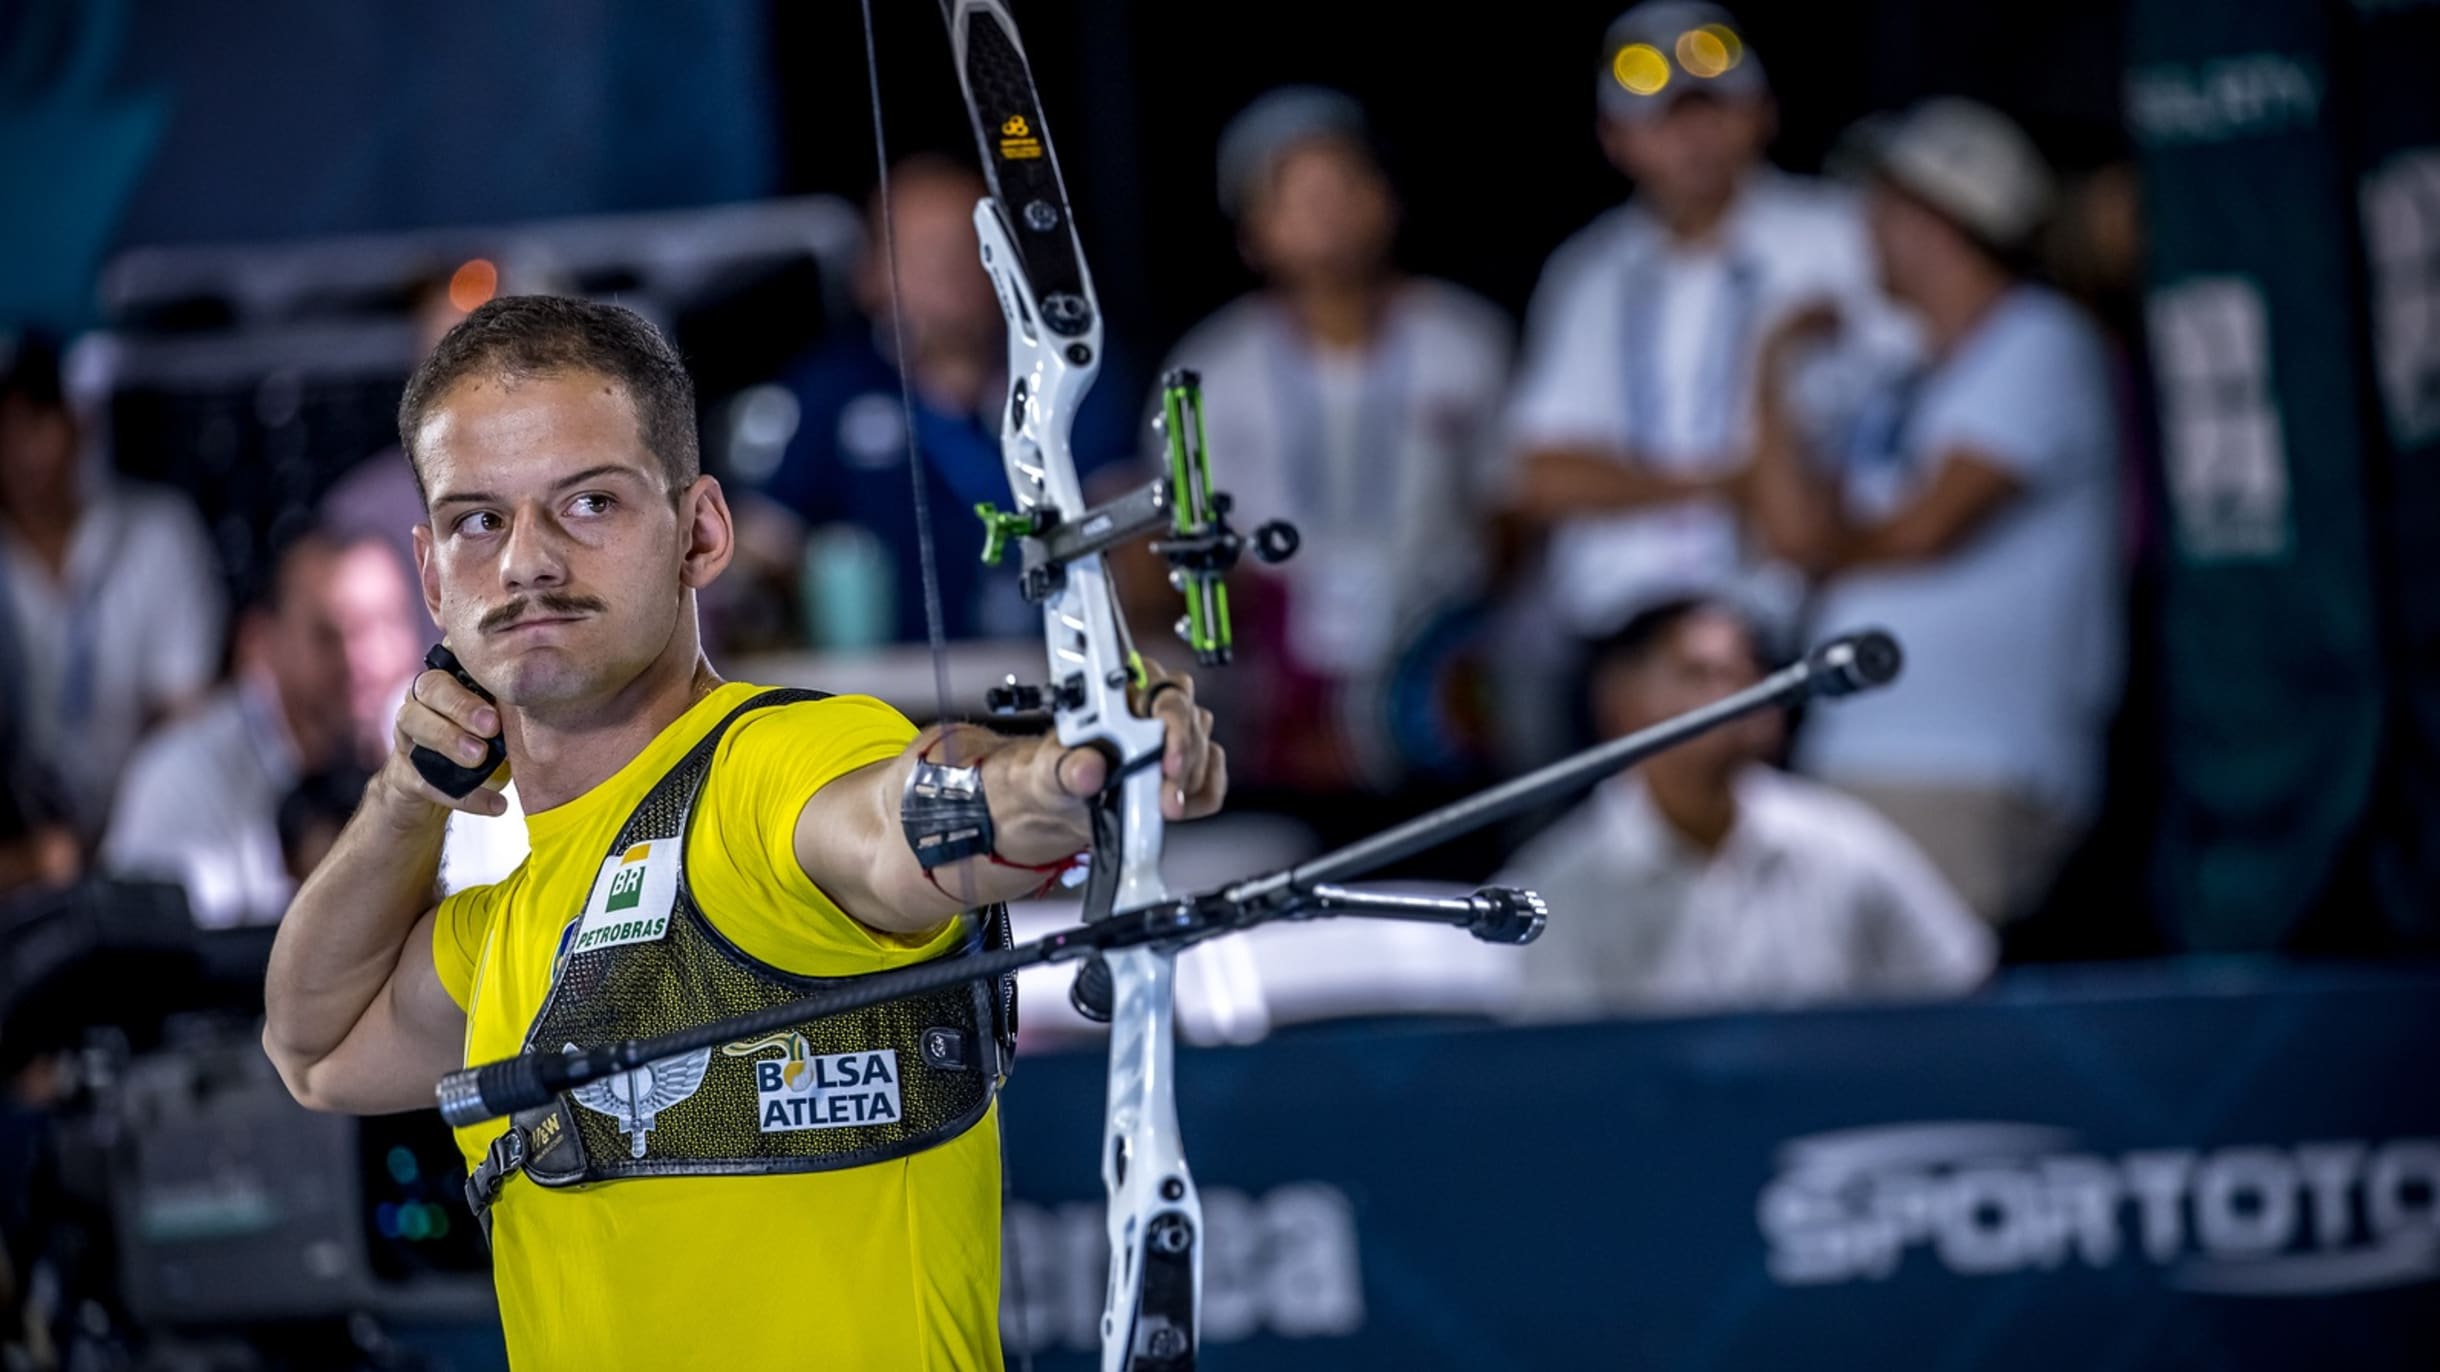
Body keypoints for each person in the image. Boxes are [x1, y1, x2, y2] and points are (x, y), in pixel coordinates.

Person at [260, 295, 1225, 1371]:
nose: (527, 560)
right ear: (432, 576)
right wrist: (407, 795)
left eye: (588, 504)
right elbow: (316, 1046)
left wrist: (1062, 776)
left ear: (702, 532)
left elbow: (898, 820)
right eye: (478, 520)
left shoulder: (769, 771)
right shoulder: (511, 927)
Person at [1747, 99, 2122, 925]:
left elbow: (1921, 532)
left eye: (1882, 204)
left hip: (1970, 766)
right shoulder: (1906, 375)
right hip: (1864, 759)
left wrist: (1825, 545)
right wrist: (1771, 368)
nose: (1866, 228)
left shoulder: (2042, 340)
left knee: (1918, 1032)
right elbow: (1788, 535)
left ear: (1936, 221)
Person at [1503, 1, 1906, 642]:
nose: (1692, 140)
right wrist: (1732, 481)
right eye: (1663, 121)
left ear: (1763, 112)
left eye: (1712, 110)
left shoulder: (1840, 236)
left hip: (1794, 611)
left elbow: (1907, 415)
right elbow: (1543, 475)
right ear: (1616, 139)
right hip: (1621, 614)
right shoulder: (1591, 271)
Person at [1159, 87, 1512, 790]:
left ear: (1385, 199)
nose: (1323, 212)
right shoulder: (1211, 371)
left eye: (1343, 184)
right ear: (1252, 231)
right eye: (1293, 194)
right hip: (1284, 678)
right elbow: (1184, 544)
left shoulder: (1464, 342)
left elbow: (1514, 508)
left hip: (1441, 658)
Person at [1495, 597, 1990, 1019]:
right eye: (1700, 673)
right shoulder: (1553, 889)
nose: (1736, 693)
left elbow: (1961, 984)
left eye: (1749, 671)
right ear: (1619, 701)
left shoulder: (1843, 840)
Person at [729, 156, 1137, 648]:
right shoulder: (830, 389)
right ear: (870, 274)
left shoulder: (1071, 372)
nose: (950, 272)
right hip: (887, 699)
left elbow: (1132, 536)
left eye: (970, 248)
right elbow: (756, 556)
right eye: (922, 253)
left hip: (1059, 673)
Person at [0, 334, 224, 843]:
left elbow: (186, 715)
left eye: (35, 423)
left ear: (78, 422)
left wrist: (128, 833)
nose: (19, 451)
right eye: (3, 430)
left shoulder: (158, 532)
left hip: (146, 824)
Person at [102, 531, 382, 927]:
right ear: (260, 643)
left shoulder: (433, 743)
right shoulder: (180, 778)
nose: (360, 661)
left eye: (376, 628)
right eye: (327, 636)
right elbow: (159, 967)